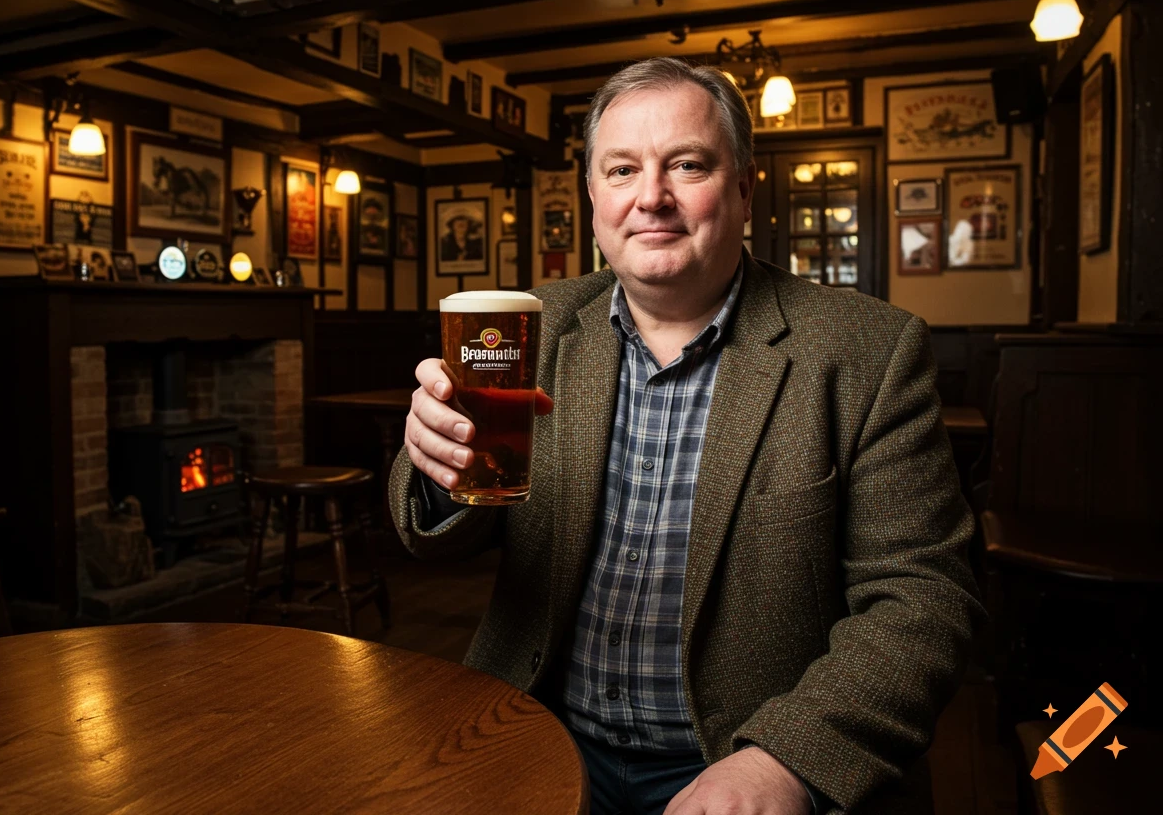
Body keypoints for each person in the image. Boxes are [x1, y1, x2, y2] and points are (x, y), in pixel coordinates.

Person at [391, 57, 983, 815]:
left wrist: (783, 763)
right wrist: (438, 469)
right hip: (533, 731)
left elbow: (924, 598)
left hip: (739, 762)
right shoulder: (529, 325)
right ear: (593, 199)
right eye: (622, 170)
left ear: (741, 189)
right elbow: (431, 535)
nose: (651, 199)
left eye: (687, 165)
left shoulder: (868, 350)